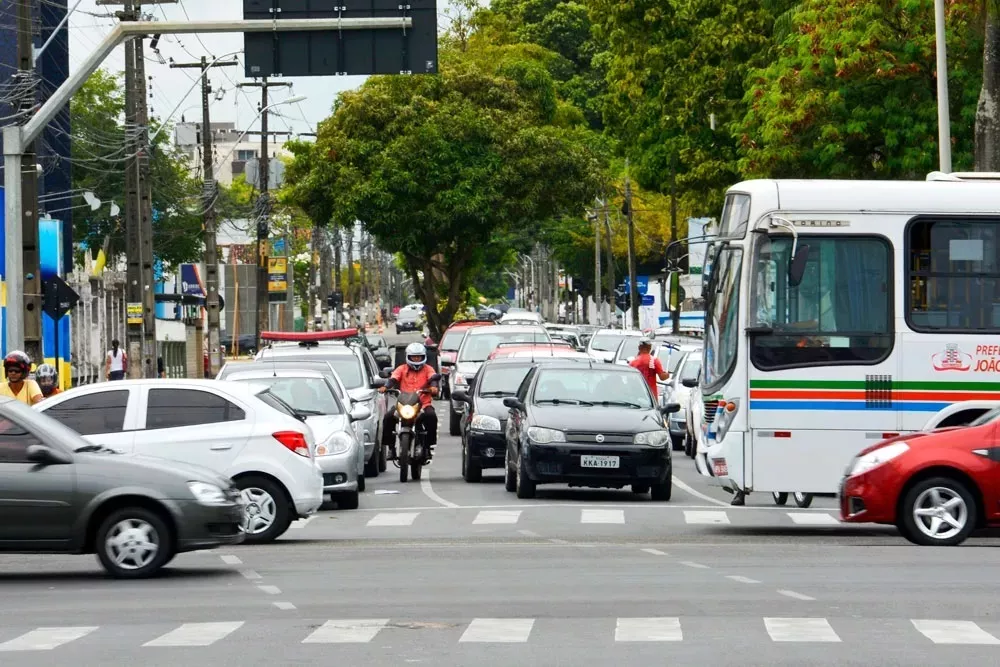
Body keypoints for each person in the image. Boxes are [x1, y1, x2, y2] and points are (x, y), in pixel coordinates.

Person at [379, 342, 439, 461]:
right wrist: (385, 387)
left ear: (424, 357)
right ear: (408, 357)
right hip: (403, 405)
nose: (416, 359)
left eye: (419, 357)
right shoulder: (401, 369)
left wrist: (433, 387)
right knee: (388, 417)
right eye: (414, 357)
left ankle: (427, 447)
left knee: (431, 417)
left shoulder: (428, 369)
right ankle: (391, 448)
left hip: (423, 404)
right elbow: (393, 379)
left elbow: (433, 379)